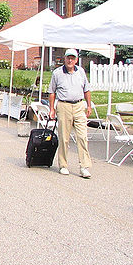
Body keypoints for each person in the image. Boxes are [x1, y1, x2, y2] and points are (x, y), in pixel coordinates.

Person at [48, 48, 93, 179]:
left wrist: (88, 105)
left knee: (82, 136)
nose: (70, 60)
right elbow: (52, 92)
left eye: (72, 58)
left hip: (79, 105)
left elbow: (87, 89)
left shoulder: (81, 72)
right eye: (68, 58)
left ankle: (84, 166)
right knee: (64, 137)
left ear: (76, 60)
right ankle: (63, 165)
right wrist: (52, 108)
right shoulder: (57, 73)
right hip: (64, 105)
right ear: (64, 59)